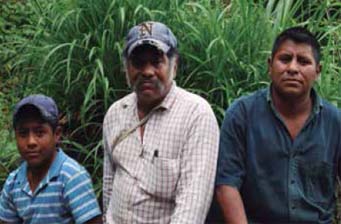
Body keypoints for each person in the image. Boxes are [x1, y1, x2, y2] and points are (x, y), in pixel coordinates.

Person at [215, 26, 341, 223]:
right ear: (270, 65)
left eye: (303, 61)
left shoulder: (335, 122)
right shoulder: (242, 114)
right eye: (285, 59)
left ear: (318, 71)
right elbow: (226, 186)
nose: (292, 68)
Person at [103, 21, 219, 223]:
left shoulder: (196, 114)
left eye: (157, 62)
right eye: (138, 63)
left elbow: (192, 206)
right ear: (126, 68)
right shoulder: (115, 113)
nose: (147, 72)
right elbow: (109, 184)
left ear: (174, 66)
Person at [0, 94, 102, 223]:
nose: (31, 142)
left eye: (40, 132)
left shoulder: (71, 177)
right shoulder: (13, 183)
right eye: (23, 133)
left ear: (56, 134)